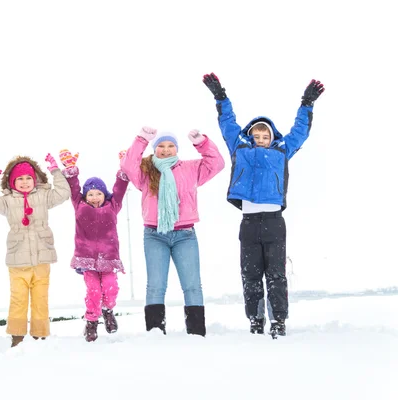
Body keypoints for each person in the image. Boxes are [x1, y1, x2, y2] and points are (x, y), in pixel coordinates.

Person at [202, 72, 325, 338]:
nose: (260, 138)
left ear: (272, 137)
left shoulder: (282, 150)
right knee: (251, 275)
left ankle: (278, 321)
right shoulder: (240, 148)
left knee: (276, 276)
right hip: (248, 224)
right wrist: (220, 96)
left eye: (264, 135)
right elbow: (228, 123)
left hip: (273, 223)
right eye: (256, 135)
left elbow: (300, 132)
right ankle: (256, 320)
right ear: (250, 136)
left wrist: (307, 104)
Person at [120, 126, 225, 336]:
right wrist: (141, 139)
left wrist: (201, 143)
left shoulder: (191, 168)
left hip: (185, 235)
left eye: (170, 146)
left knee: (192, 285)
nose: (166, 150)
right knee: (156, 285)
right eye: (161, 146)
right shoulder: (146, 171)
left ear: (176, 149)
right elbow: (128, 165)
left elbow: (217, 163)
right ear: (154, 148)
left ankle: (196, 332)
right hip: (154, 234)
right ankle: (155, 331)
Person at [0, 154, 71, 347]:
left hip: (42, 257)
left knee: (40, 299)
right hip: (17, 259)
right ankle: (17, 336)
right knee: (18, 299)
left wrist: (55, 171)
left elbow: (63, 193)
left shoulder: (44, 196)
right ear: (12, 182)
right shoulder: (7, 201)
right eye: (19, 179)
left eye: (28, 178)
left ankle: (40, 334)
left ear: (35, 179)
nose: (24, 182)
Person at [58, 148, 129, 342]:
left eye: (98, 193)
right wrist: (71, 169)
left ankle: (108, 311)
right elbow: (73, 187)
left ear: (104, 194)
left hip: (108, 259)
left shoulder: (113, 206)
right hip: (87, 259)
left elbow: (120, 187)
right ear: (85, 196)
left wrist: (124, 168)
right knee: (94, 291)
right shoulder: (79, 205)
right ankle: (91, 321)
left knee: (111, 288)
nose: (94, 197)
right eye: (90, 194)